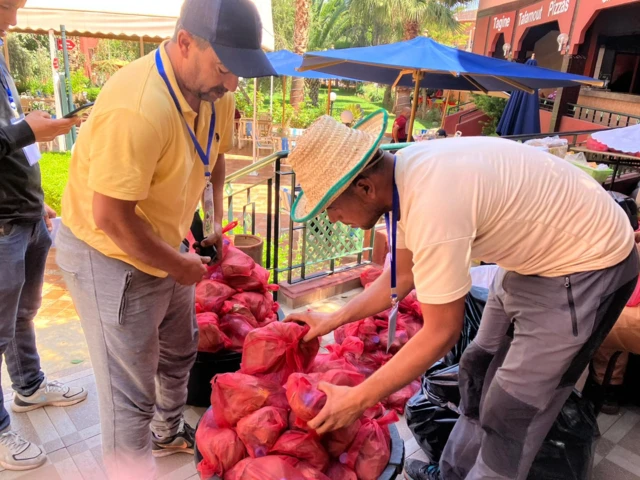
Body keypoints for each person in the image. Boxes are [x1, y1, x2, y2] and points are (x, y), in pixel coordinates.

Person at [285, 110, 638, 480]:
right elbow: (399, 276)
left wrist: (358, 399)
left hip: (588, 266)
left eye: (331, 207)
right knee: (476, 369)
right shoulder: (402, 177)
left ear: (364, 187)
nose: (334, 218)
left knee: (512, 410)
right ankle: (452, 474)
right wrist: (330, 320)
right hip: (533, 260)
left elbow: (442, 332)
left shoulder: (431, 203)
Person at [55, 0, 276, 478]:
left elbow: (213, 153)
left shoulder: (215, 88)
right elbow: (112, 217)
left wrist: (213, 215)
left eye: (238, 71)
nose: (232, 83)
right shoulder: (137, 107)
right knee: (128, 391)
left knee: (180, 350)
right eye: (224, 68)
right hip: (106, 250)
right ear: (183, 44)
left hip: (165, 238)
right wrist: (178, 266)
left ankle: (167, 430)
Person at [0, 2, 87, 472]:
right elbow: (8, 137)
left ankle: (29, 387)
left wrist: (35, 200)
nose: (13, 20)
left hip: (26, 214)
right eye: (6, 8)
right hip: (2, 226)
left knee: (23, 315)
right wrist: (25, 130)